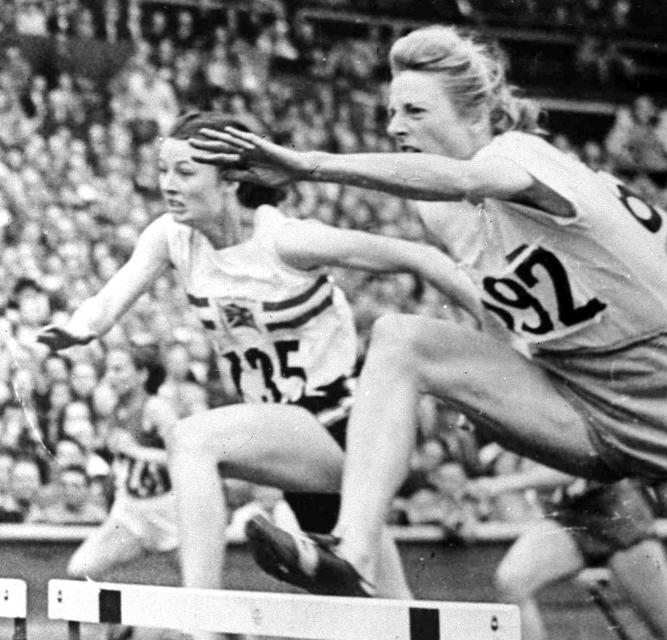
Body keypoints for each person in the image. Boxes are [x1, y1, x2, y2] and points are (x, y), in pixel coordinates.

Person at [190, 26, 667, 640]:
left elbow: (465, 179)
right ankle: (351, 553)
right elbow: (497, 300)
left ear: (477, 113)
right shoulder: (436, 211)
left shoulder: (519, 155)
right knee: (401, 339)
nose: (395, 127)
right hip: (573, 392)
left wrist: (309, 165)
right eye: (389, 112)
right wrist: (479, 387)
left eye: (414, 111)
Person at [37, 111, 481, 613]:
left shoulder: (288, 241)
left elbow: (422, 257)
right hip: (286, 443)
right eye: (163, 171)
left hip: (343, 429)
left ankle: (201, 617)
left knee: (192, 440)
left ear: (230, 181)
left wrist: (498, 327)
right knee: (389, 614)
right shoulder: (172, 236)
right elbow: (111, 296)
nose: (168, 186)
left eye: (184, 173)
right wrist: (81, 327)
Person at [466, 466, 667, 640]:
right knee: (511, 582)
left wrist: (499, 485)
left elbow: (571, 469)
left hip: (618, 515)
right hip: (572, 515)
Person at [66, 345, 177, 579]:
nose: (110, 376)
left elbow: (185, 457)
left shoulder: (157, 408)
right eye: (108, 370)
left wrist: (137, 451)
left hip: (168, 509)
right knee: (80, 569)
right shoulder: (116, 408)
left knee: (197, 586)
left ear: (142, 374)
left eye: (118, 369)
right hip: (131, 510)